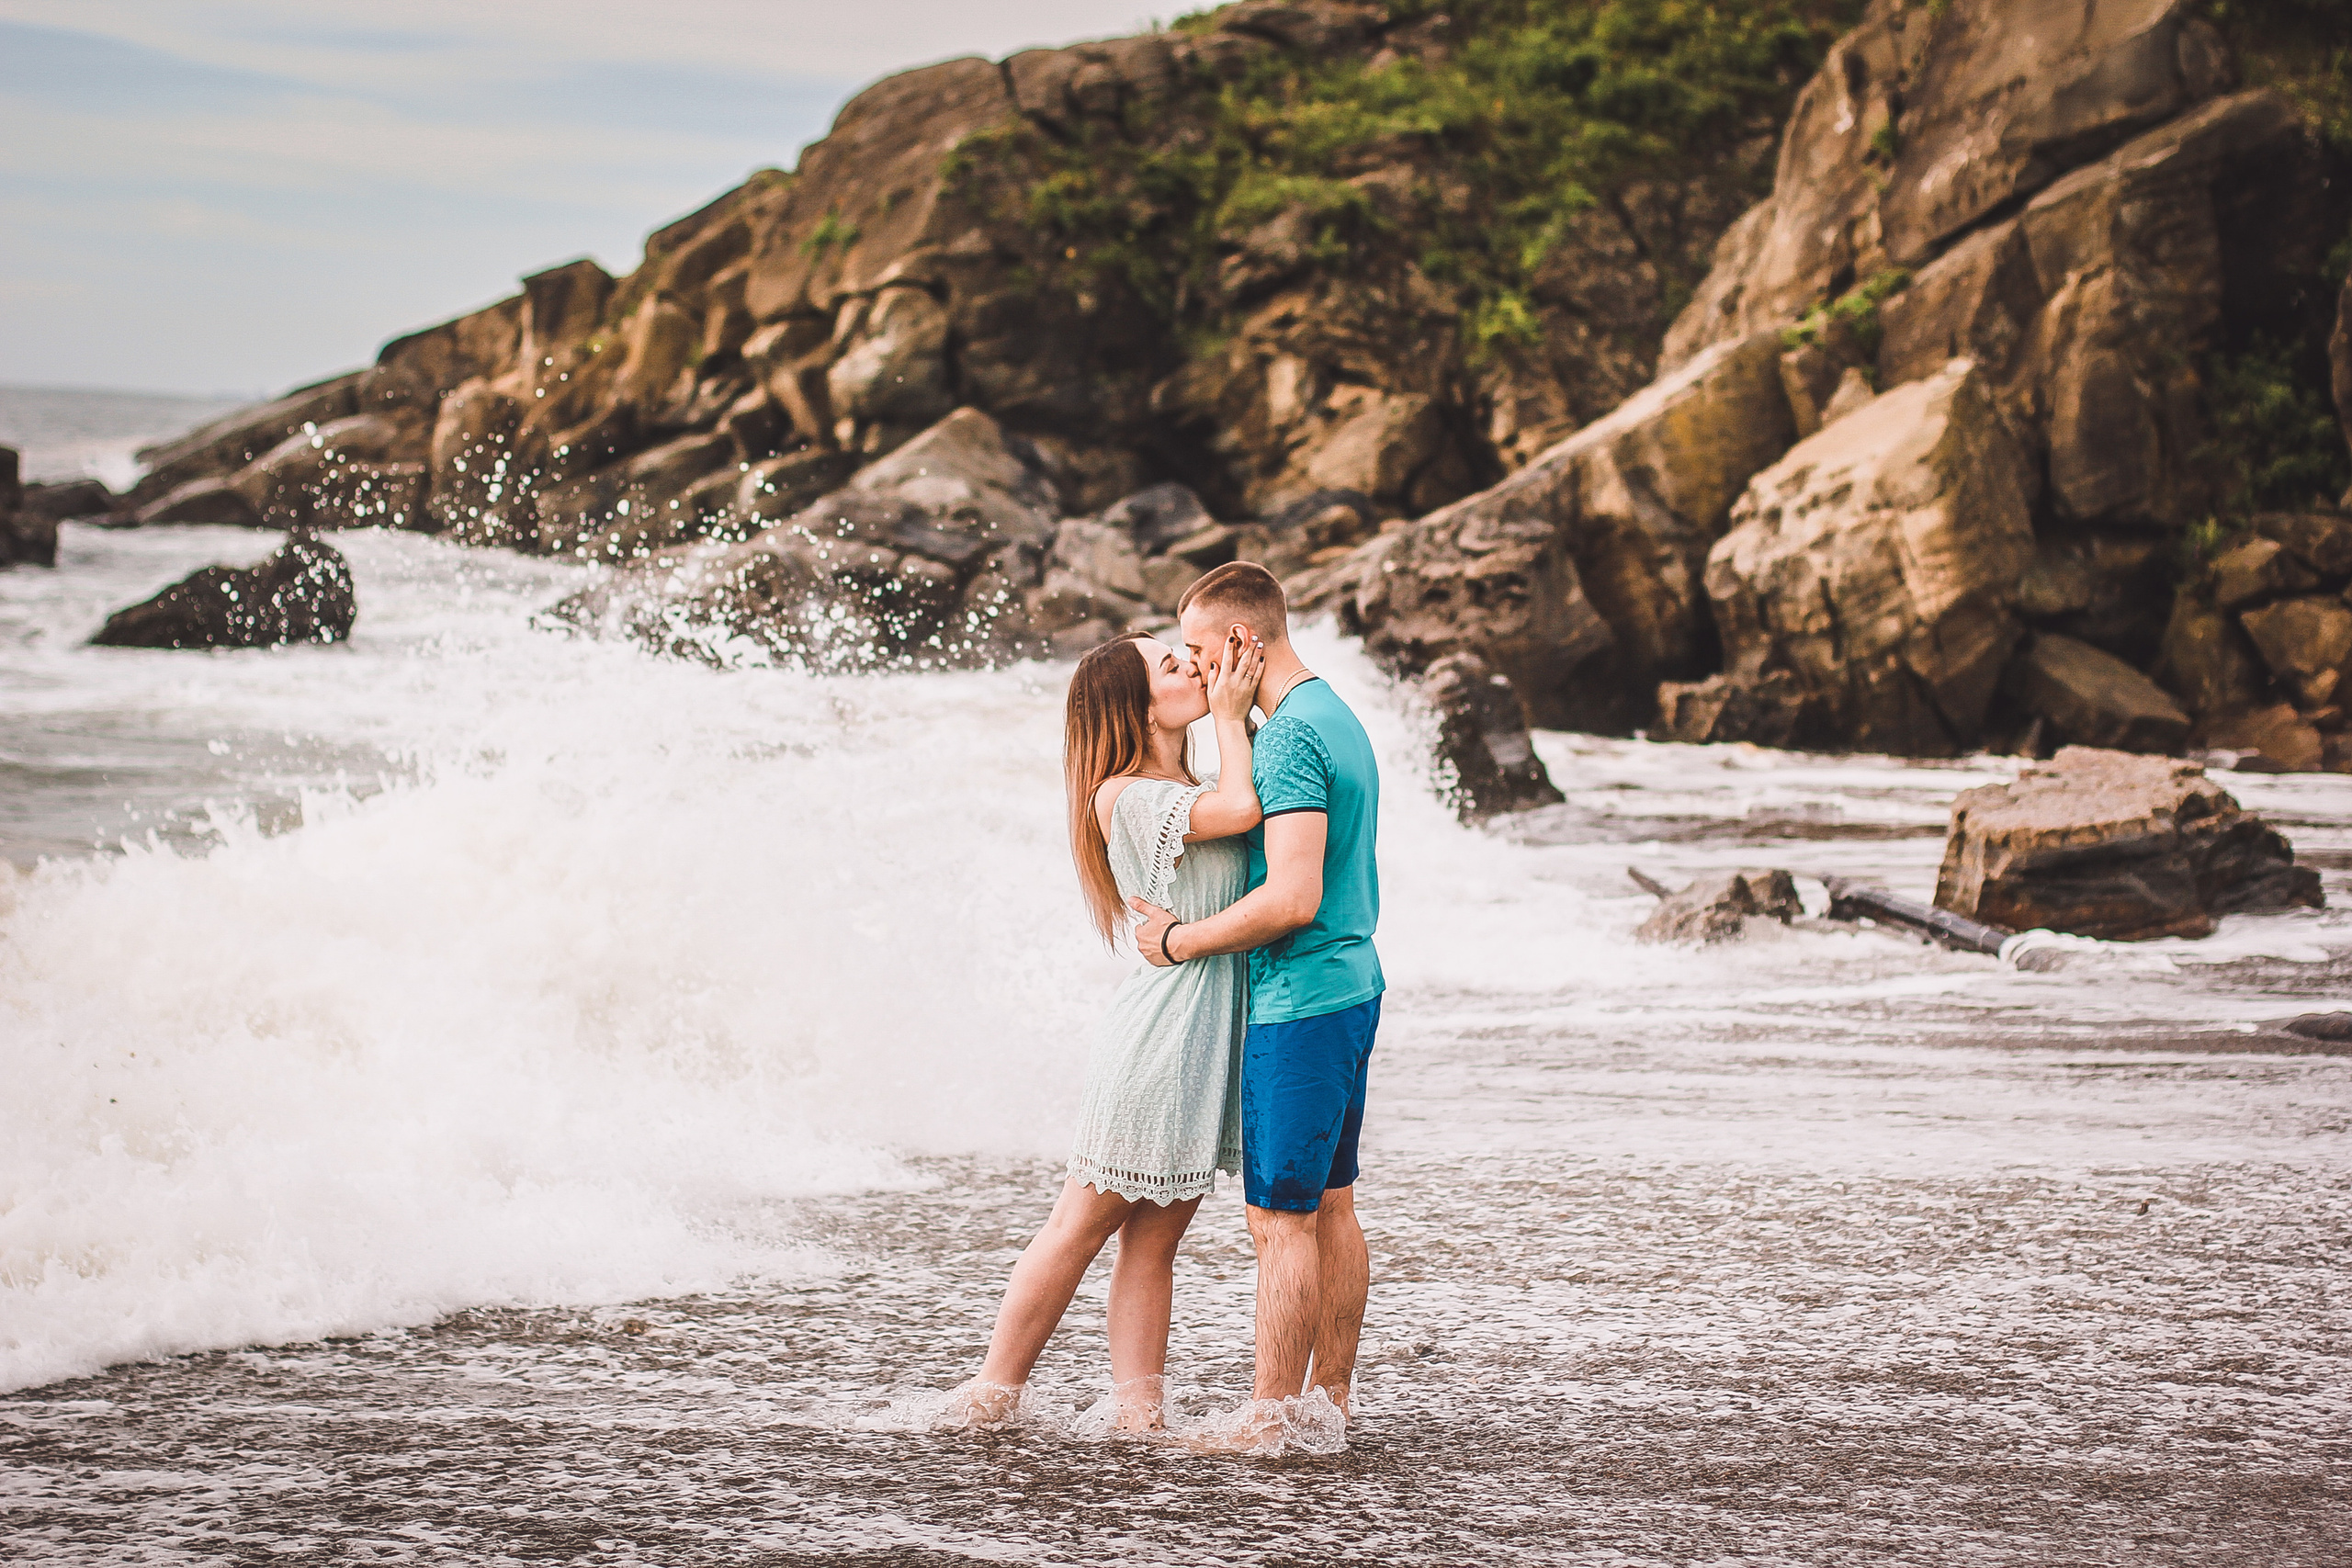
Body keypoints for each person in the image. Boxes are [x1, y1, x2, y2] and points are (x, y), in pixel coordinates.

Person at [944, 626, 1267, 1432]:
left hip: (1204, 1036)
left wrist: (1240, 690)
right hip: (1159, 1040)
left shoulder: (1183, 777)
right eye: (1171, 663)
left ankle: (1138, 1413)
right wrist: (1230, 713)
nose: (1191, 665)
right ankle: (993, 1389)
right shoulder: (1123, 793)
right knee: (1079, 1225)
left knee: (1154, 1242)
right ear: (1135, 704)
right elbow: (1242, 808)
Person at [1132, 560, 1383, 1437]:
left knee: (1280, 1220)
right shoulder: (1335, 714)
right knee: (1334, 1203)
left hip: (1301, 1000)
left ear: (1243, 639)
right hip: (1353, 985)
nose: (1195, 670)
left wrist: (1177, 940)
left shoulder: (1285, 737)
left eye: (1199, 649)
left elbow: (1292, 897)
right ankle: (1333, 1396)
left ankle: (1273, 1413)